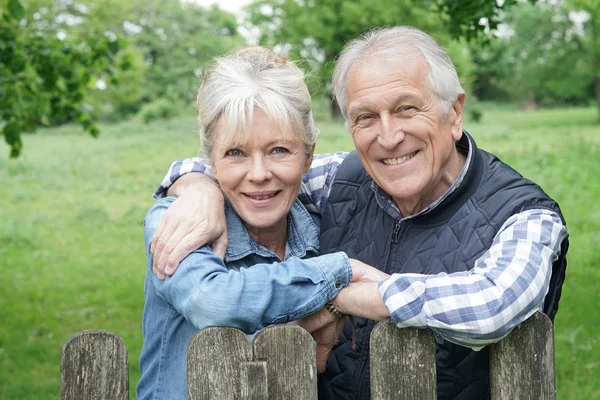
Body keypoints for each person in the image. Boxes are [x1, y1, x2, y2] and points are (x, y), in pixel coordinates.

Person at [151, 27, 569, 399]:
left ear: (454, 112)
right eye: (366, 117)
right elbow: (260, 168)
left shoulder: (525, 215)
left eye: (407, 109)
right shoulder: (341, 180)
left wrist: (351, 294)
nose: (389, 136)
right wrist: (193, 184)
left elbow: (492, 304)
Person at [136, 46, 387, 400]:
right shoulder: (177, 220)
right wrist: (339, 272)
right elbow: (214, 302)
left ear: (308, 156)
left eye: (279, 150)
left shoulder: (321, 224)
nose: (258, 174)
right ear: (211, 160)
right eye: (235, 153)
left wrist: (335, 301)